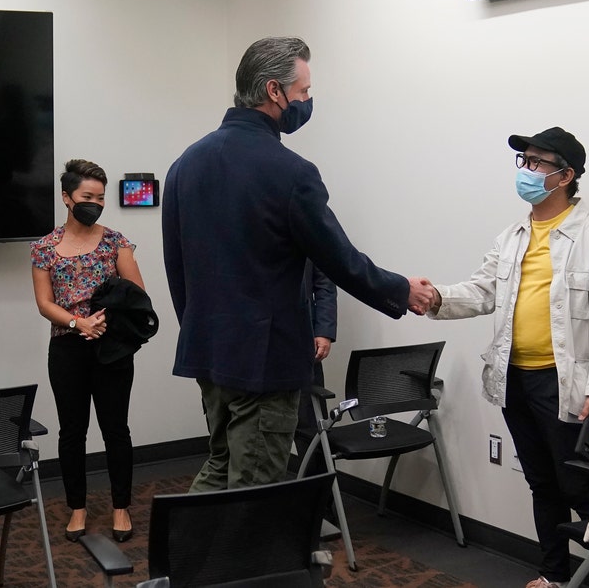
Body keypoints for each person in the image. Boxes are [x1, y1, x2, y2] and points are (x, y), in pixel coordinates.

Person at [162, 36, 433, 492]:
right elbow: (338, 258)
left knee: (220, 467)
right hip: (264, 364)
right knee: (256, 489)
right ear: (274, 91)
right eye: (304, 92)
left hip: (207, 350)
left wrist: (200, 328)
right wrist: (400, 288)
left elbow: (176, 269)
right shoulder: (290, 171)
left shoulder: (184, 165)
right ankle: (232, 564)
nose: (308, 102)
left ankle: (190, 561)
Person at [423, 128, 589, 588]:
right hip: (514, 379)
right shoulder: (512, 237)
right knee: (542, 483)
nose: (527, 170)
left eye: (538, 163)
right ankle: (555, 576)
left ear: (566, 176)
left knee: (579, 488)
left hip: (567, 386)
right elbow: (483, 291)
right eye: (525, 161)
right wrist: (434, 297)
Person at [30, 159, 146, 543]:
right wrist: (79, 323)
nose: (94, 203)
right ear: (67, 197)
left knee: (116, 430)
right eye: (87, 196)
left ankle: (121, 507)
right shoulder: (44, 248)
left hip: (111, 349)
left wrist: (104, 322)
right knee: (72, 432)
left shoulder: (116, 242)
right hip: (67, 348)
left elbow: (137, 297)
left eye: (99, 197)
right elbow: (45, 303)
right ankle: (77, 508)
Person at [294, 262, 337, 477]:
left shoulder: (307, 227)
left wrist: (324, 330)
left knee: (310, 423)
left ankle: (320, 505)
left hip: (303, 340)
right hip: (248, 343)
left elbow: (324, 282)